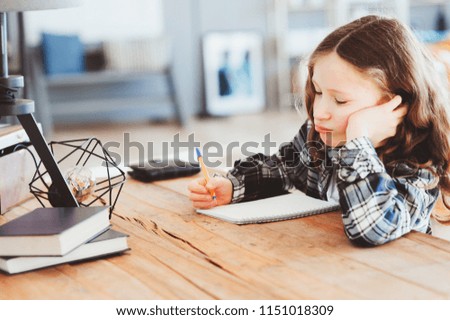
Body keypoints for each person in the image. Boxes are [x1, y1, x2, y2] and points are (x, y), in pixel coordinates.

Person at [188, 15, 450, 246]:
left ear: (396, 103)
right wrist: (233, 187)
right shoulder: (321, 135)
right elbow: (281, 168)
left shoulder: (421, 164)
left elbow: (372, 228)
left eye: (340, 100)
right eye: (319, 91)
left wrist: (358, 139)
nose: (319, 112)